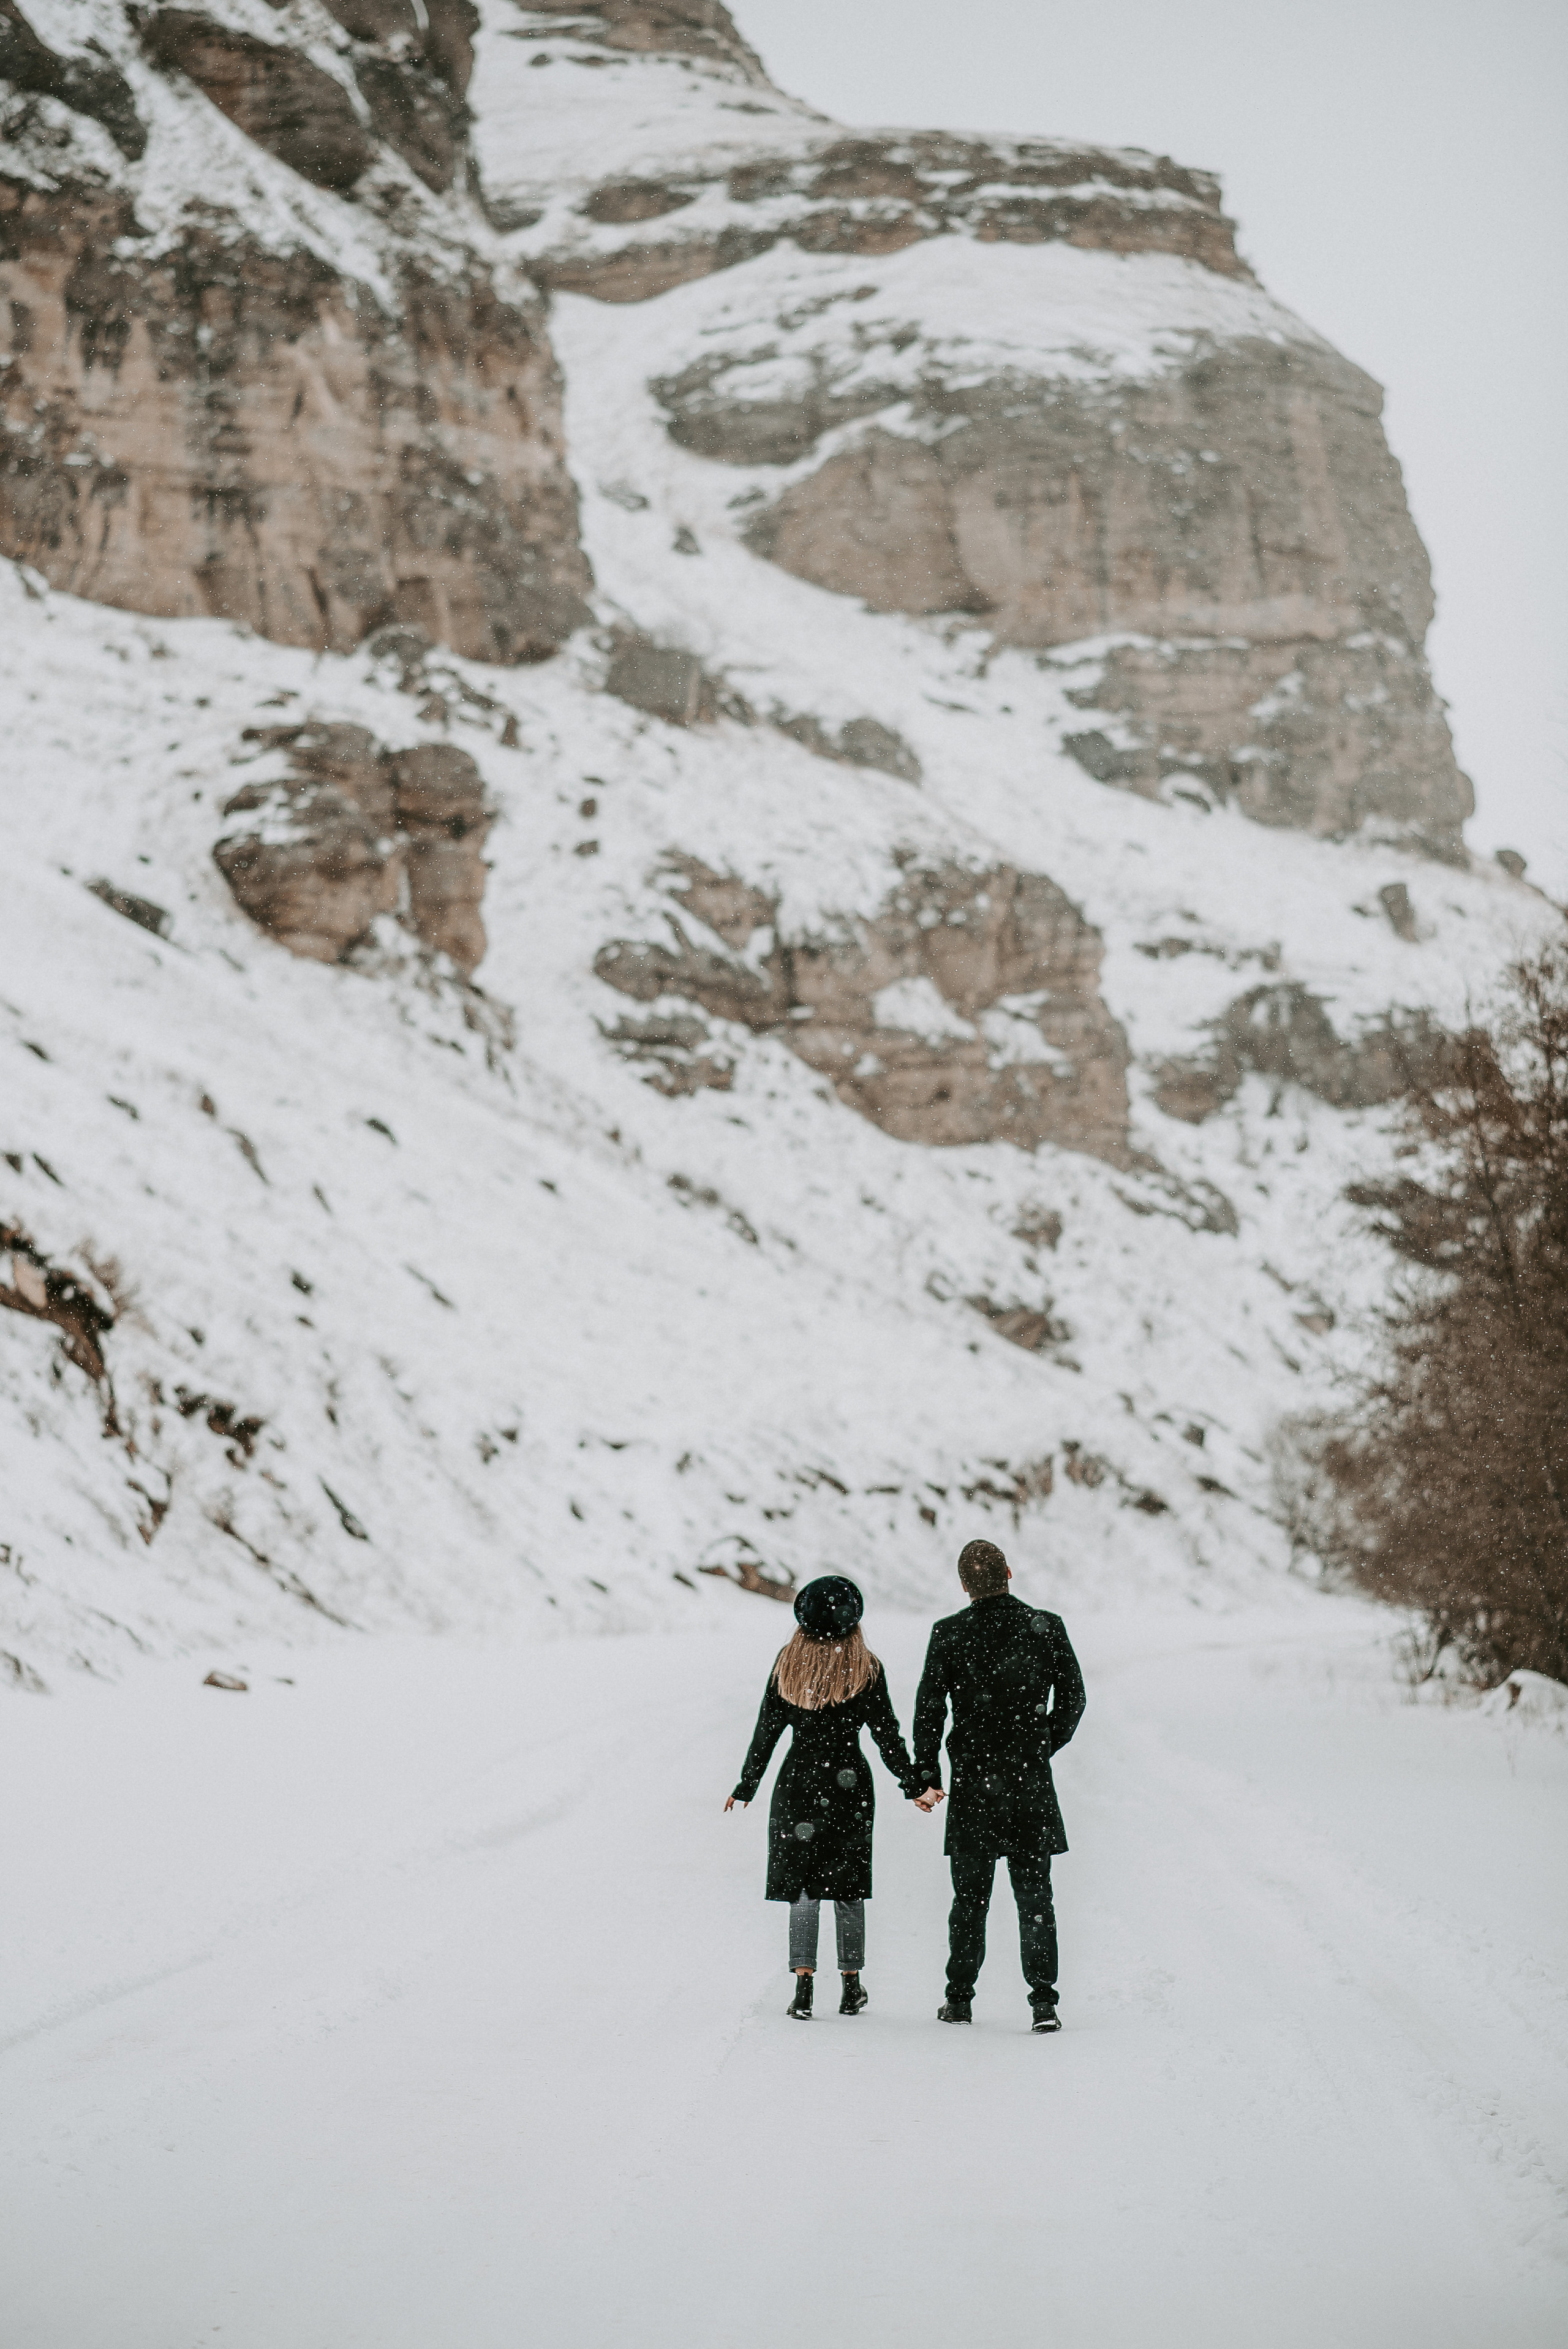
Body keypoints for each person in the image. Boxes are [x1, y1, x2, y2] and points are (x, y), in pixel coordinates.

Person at [726, 1573, 932, 2018]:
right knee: (848, 1886)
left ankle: (803, 1988)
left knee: (803, 1886)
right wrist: (914, 1785)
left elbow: (767, 1731)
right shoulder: (865, 1666)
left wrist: (748, 1784)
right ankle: (851, 1985)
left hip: (797, 1783)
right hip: (849, 1786)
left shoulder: (788, 1663)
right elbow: (887, 1737)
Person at [912, 1538, 1086, 2032]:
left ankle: (960, 2000)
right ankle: (1044, 2003)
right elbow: (1073, 1699)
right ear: (1009, 1573)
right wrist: (1039, 1745)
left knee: (969, 1900)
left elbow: (929, 1710)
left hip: (973, 1785)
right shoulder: (1045, 1627)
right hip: (1029, 1782)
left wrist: (927, 1774)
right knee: (1035, 1897)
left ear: (964, 1584)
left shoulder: (948, 1633)